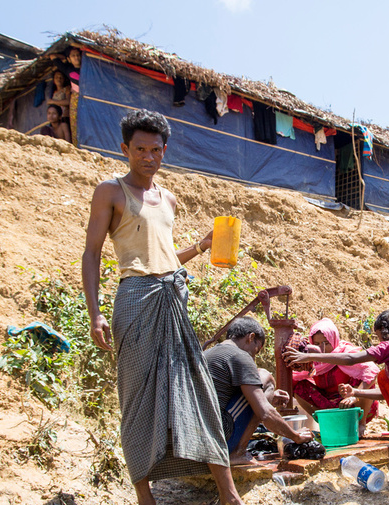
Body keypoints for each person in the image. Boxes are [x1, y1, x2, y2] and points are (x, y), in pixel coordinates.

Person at [81, 109, 242, 505]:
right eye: (140, 149)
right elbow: (91, 253)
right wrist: (95, 313)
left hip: (173, 297)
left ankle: (229, 494)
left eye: (155, 150)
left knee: (197, 391)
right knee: (135, 399)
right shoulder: (111, 191)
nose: (148, 157)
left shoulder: (168, 198)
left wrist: (202, 246)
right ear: (125, 149)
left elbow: (166, 258)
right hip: (134, 299)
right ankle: (144, 496)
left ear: (164, 151)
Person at [285, 310, 389, 444]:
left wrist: (308, 356)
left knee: (382, 376)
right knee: (385, 377)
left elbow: (350, 359)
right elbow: (387, 394)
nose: (380, 342)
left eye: (378, 337)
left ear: (385, 334)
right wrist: (355, 392)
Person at [204, 317, 313, 465]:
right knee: (265, 378)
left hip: (199, 439)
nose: (253, 357)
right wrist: (295, 436)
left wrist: (270, 397)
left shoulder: (208, 354)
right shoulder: (240, 356)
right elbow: (265, 413)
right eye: (257, 350)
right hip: (218, 439)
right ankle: (238, 452)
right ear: (251, 337)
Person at [290, 318, 380, 436]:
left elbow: (372, 371)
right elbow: (295, 378)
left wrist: (355, 395)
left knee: (364, 377)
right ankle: (325, 423)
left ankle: (360, 423)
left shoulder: (345, 352)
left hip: (351, 402)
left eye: (326, 343)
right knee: (298, 386)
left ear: (333, 340)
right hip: (327, 403)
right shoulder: (311, 358)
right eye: (316, 344)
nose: (322, 349)